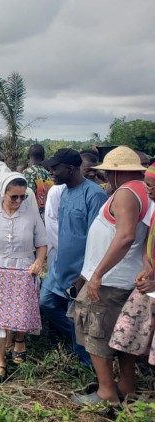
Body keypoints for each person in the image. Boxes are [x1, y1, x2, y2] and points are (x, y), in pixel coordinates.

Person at [71, 146, 150, 405]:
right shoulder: (143, 192)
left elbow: (126, 236)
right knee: (123, 336)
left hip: (111, 281)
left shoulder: (126, 193)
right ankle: (126, 387)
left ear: (116, 173)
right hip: (127, 279)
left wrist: (97, 275)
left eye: (107, 173)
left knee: (97, 334)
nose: (105, 177)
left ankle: (107, 392)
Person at [0, 173, 47, 379]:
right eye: (14, 197)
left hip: (23, 269)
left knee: (19, 313)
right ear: (3, 193)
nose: (19, 201)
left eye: (23, 197)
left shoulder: (31, 215)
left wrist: (38, 262)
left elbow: (41, 244)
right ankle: (1, 363)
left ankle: (18, 340)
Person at [40, 149, 107, 365]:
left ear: (69, 169)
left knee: (82, 319)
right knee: (46, 303)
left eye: (54, 169)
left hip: (80, 271)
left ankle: (87, 364)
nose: (51, 173)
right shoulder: (64, 192)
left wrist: (85, 275)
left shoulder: (94, 195)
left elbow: (97, 239)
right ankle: (74, 345)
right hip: (60, 266)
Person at [107, 162, 155, 386]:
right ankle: (127, 391)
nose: (149, 190)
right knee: (127, 335)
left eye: (154, 186)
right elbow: (148, 243)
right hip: (149, 287)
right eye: (147, 185)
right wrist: (147, 266)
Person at [22, 144, 54, 216]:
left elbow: (27, 195)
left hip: (31, 212)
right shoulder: (47, 173)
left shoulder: (27, 172)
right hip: (45, 211)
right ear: (43, 158)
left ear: (28, 156)